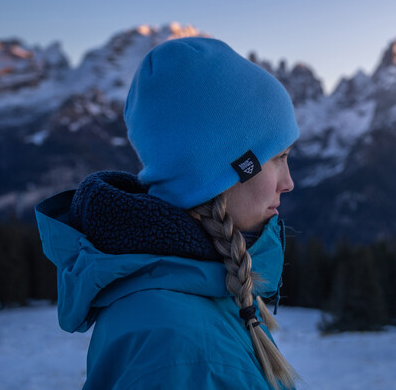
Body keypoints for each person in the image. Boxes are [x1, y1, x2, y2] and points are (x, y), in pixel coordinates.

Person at [35, 37, 300, 389]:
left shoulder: (201, 297)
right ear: (229, 172)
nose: (289, 182)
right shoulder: (185, 350)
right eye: (278, 158)